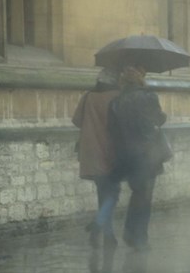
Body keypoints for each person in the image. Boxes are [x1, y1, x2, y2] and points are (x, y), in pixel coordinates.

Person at [108, 65, 171, 251]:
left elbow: (113, 130)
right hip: (147, 154)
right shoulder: (148, 97)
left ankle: (131, 232)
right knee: (144, 197)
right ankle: (139, 238)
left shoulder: (116, 102)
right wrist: (162, 117)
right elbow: (155, 121)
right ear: (140, 79)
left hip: (126, 155)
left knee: (137, 194)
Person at [72, 68, 121, 248]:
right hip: (110, 151)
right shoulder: (117, 96)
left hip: (91, 151)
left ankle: (108, 236)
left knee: (103, 194)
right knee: (113, 194)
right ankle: (99, 226)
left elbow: (77, 121)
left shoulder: (88, 96)